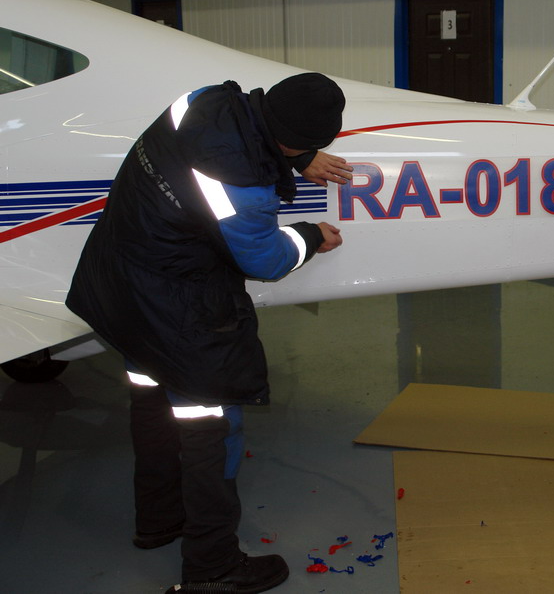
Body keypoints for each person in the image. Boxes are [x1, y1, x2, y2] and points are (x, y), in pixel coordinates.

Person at [66, 72, 352, 594]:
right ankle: (212, 567)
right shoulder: (244, 190)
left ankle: (158, 522)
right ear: (299, 140)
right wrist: (310, 236)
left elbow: (236, 139)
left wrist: (295, 157)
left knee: (152, 403)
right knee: (210, 429)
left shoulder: (200, 102)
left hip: (121, 284)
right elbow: (264, 260)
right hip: (178, 310)